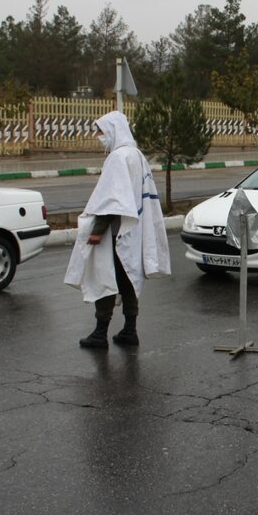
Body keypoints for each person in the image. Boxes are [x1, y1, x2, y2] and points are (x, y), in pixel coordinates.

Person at [64, 111, 170, 349]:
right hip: (133, 231)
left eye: (100, 131)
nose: (98, 136)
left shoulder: (117, 158)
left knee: (105, 278)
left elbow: (111, 199)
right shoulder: (136, 155)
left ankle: (100, 333)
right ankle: (129, 331)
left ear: (113, 130)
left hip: (114, 232)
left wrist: (97, 231)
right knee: (128, 279)